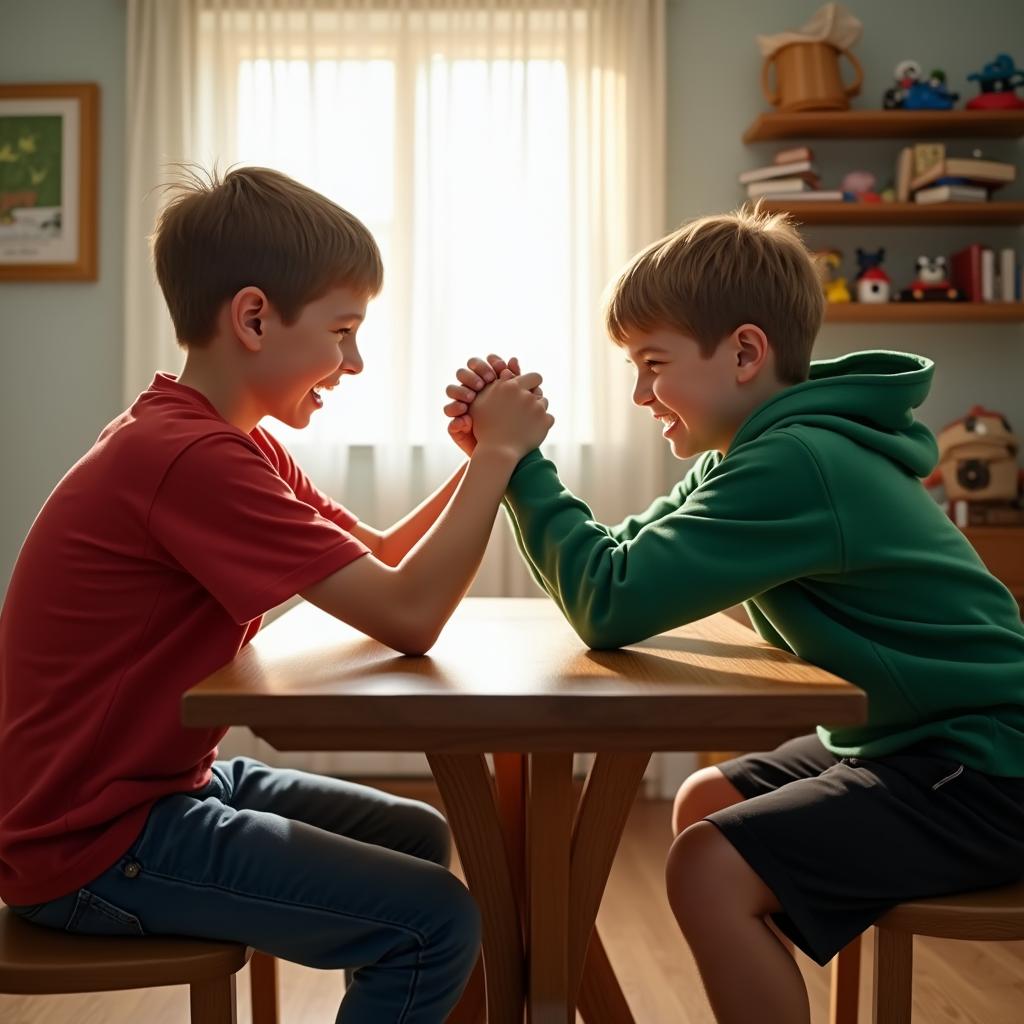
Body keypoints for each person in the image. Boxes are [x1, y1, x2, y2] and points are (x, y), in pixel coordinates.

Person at [441, 205, 1024, 1024]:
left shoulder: (795, 460)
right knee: (705, 802)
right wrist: (508, 456)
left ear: (745, 352)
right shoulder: (754, 451)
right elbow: (622, 558)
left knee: (707, 865)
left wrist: (520, 461)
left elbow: (610, 601)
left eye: (653, 364)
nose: (642, 394)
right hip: (915, 744)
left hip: (988, 768)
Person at [0, 165, 553, 1024]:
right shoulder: (190, 459)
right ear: (254, 317)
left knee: (420, 837)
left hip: (156, 788)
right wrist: (497, 460)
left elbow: (378, 557)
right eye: (343, 331)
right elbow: (408, 617)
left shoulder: (225, 440)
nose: (355, 361)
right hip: (91, 843)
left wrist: (477, 455)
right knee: (434, 922)